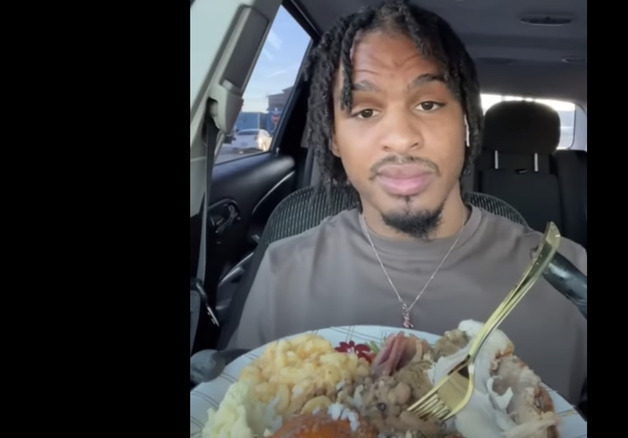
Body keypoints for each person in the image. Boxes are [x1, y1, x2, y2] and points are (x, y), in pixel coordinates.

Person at [228, 0, 587, 406]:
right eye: (364, 111)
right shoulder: (284, 269)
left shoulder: (569, 276)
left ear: (467, 123)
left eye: (428, 104)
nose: (400, 138)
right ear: (333, 139)